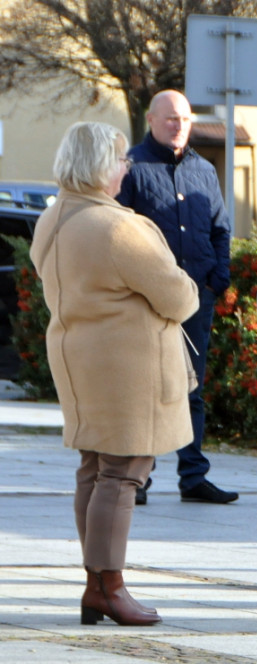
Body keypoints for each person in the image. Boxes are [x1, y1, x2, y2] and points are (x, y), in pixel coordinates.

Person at [30, 122, 198, 626]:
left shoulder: (52, 219)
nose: (126, 168)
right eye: (120, 160)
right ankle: (110, 586)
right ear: (101, 167)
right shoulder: (119, 227)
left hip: (78, 360)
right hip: (127, 368)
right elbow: (179, 296)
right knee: (122, 473)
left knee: (95, 469)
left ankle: (95, 585)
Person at [117, 90, 237, 506]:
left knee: (192, 389)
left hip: (194, 299)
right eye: (170, 118)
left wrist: (217, 280)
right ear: (151, 119)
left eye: (184, 119)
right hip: (146, 303)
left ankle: (193, 476)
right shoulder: (131, 168)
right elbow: (119, 233)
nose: (178, 125)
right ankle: (138, 477)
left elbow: (221, 229)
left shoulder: (204, 170)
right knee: (145, 388)